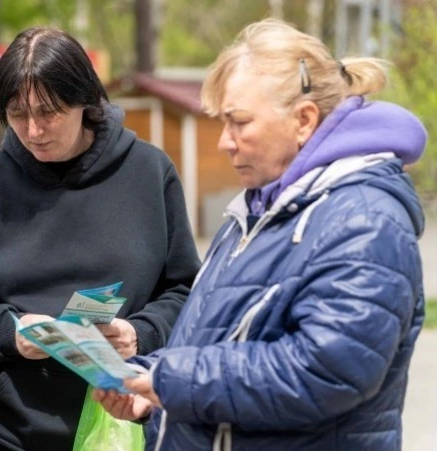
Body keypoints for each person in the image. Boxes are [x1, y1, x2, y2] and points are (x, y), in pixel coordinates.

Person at [94, 19, 427, 451]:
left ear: (304, 120)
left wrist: (171, 381)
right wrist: (147, 382)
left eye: (239, 123)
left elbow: (325, 372)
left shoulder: (364, 220)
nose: (225, 143)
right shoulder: (256, 209)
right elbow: (216, 340)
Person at [0, 26, 201, 450]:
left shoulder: (149, 173)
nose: (33, 131)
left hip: (125, 424)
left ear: (85, 101)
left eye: (49, 112)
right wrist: (9, 333)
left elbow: (186, 293)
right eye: (17, 114)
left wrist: (139, 333)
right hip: (2, 430)